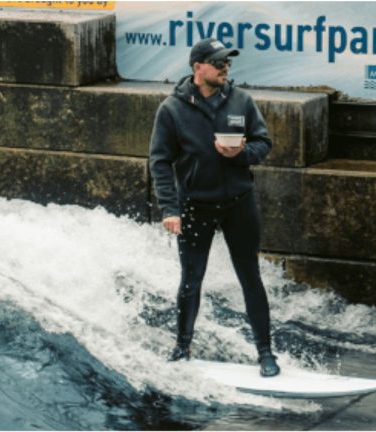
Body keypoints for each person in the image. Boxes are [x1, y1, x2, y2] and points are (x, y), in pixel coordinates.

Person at [148, 38, 280, 377]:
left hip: (239, 203)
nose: (225, 68)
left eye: (228, 63)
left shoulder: (241, 101)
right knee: (191, 280)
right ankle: (182, 348)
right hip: (195, 205)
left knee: (250, 276)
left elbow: (263, 142)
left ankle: (266, 353)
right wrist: (169, 209)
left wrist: (242, 155)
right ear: (198, 68)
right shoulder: (172, 110)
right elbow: (160, 162)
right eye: (218, 62)